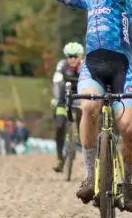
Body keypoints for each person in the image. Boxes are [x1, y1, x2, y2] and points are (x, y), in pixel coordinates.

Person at [50, 0, 132, 212]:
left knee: (128, 128)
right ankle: (89, 175)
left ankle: (127, 183)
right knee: (88, 106)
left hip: (121, 68)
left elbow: (130, 29)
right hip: (93, 66)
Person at [51, 41, 84, 173]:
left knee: (85, 118)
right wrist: (57, 98)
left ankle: (80, 139)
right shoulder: (62, 65)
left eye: (75, 56)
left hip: (80, 98)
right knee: (59, 126)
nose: (72, 59)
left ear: (80, 56)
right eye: (69, 56)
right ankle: (60, 158)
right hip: (63, 99)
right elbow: (56, 82)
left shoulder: (84, 67)